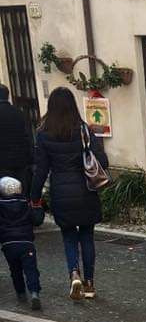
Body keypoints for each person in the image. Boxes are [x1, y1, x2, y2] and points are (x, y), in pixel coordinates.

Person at [30, 87, 108, 301]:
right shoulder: (83, 130)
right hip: (85, 191)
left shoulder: (43, 134)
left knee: (68, 237)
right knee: (87, 236)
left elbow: (41, 170)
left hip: (60, 193)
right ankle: (90, 284)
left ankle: (74, 273)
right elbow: (104, 161)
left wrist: (34, 197)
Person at [0, 176, 44, 310]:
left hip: (8, 244)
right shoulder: (26, 204)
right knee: (31, 269)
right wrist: (38, 208)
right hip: (26, 242)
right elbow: (37, 220)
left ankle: (20, 292)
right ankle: (35, 292)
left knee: (15, 269)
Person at [0, 84, 33, 194]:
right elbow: (27, 136)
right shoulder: (18, 113)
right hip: (20, 163)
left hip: (2, 165)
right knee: (21, 195)